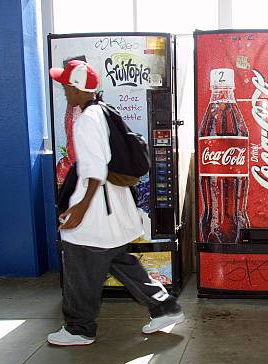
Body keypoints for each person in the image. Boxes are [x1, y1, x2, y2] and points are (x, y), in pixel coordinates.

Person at [47, 60, 183, 346]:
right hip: (114, 205)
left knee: (79, 265)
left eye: (67, 85)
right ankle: (165, 307)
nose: (64, 89)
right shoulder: (104, 110)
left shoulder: (86, 119)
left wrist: (80, 208)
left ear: (79, 88)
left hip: (97, 207)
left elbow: (94, 170)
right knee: (119, 260)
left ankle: (79, 329)